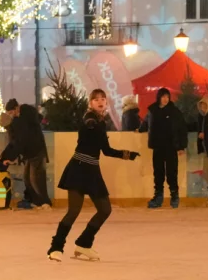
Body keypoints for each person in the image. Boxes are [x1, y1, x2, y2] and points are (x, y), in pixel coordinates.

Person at [48, 89, 140, 261]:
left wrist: (127, 154)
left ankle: (83, 243)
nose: (100, 101)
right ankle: (55, 248)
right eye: (96, 99)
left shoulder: (101, 123)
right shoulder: (89, 119)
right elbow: (86, 125)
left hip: (92, 171)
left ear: (106, 103)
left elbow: (106, 151)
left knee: (105, 209)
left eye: (103, 99)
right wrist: (90, 123)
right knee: (73, 211)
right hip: (78, 168)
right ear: (90, 103)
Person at [145, 87, 187, 209]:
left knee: (171, 173)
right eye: (163, 97)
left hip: (171, 147)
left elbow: (181, 129)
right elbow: (147, 124)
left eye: (167, 97)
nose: (165, 99)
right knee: (158, 173)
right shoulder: (153, 111)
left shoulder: (174, 112)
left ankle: (174, 195)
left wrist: (181, 146)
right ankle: (158, 197)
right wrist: (140, 128)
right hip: (158, 147)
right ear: (159, 97)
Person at [14, 103, 51, 209]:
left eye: (19, 111)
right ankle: (37, 201)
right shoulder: (26, 124)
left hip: (37, 154)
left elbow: (20, 142)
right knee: (27, 178)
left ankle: (45, 202)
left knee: (36, 179)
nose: (17, 113)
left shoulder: (30, 126)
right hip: (31, 155)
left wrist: (10, 156)